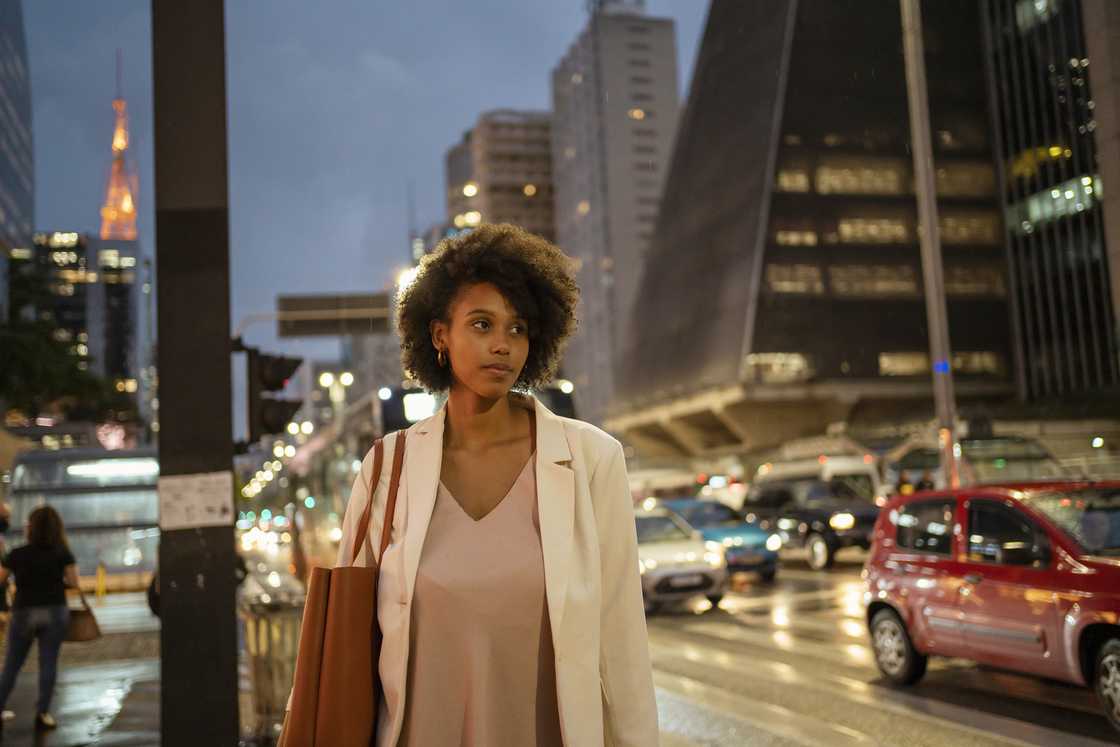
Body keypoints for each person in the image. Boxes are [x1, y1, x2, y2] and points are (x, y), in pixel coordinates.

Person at [289, 224, 658, 746]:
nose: (502, 346)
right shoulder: (387, 467)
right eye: (482, 324)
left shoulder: (591, 459)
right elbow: (347, 641)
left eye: (518, 329)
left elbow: (622, 643)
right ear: (440, 334)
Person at [0, 506, 79, 734]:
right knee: (48, 662)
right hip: (55, 610)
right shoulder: (63, 552)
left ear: (31, 528)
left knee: (12, 664)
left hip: (23, 611)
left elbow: (1, 579)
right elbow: (74, 583)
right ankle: (43, 713)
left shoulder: (16, 554)